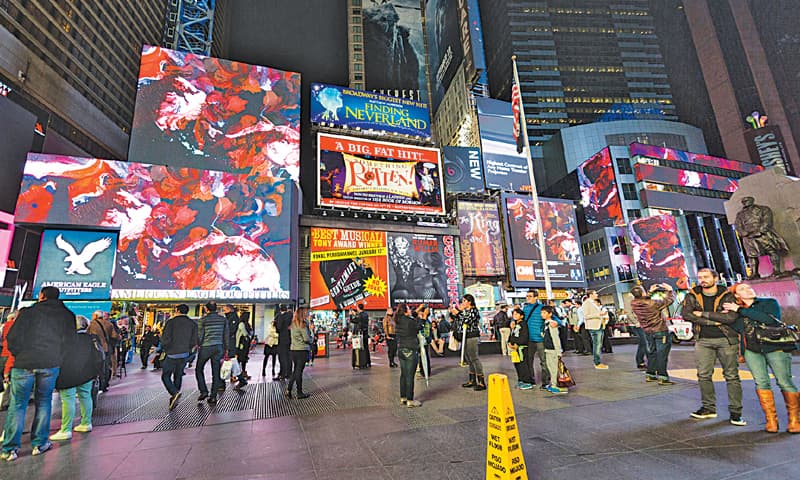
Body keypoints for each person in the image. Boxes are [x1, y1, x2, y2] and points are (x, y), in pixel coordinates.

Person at [1, 287, 76, 461]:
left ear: (41, 295)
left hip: (24, 363)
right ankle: (39, 443)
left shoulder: (28, 313)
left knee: (17, 405)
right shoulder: (66, 315)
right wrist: (58, 358)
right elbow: (70, 342)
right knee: (44, 402)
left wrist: (20, 354)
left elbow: (12, 337)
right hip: (50, 364)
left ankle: (10, 449)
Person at [724, 283, 799, 433]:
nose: (748, 289)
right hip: (752, 350)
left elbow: (769, 320)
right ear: (737, 296)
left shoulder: (769, 302)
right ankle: (771, 420)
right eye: (742, 289)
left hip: (775, 346)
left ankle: (795, 420)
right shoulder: (737, 312)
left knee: (784, 382)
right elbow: (738, 328)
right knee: (761, 382)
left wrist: (740, 310)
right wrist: (731, 313)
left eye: (748, 287)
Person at [681, 268, 745, 426]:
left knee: (731, 376)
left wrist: (702, 314)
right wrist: (715, 321)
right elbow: (687, 315)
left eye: (706, 277)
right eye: (700, 277)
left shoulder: (727, 294)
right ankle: (708, 408)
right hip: (703, 340)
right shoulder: (692, 295)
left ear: (715, 278)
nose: (703, 280)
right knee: (703, 375)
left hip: (726, 340)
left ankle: (736, 413)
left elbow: (730, 317)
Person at [50, 315, 96, 441]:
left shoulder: (67, 339)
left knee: (68, 400)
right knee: (86, 396)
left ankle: (65, 429)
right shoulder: (91, 338)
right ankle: (86, 423)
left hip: (68, 373)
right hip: (87, 373)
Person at [630, 283, 675, 385]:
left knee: (652, 353)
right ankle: (663, 377)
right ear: (642, 293)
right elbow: (669, 300)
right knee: (662, 354)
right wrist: (670, 290)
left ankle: (650, 374)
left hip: (647, 331)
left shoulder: (634, 303)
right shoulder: (653, 303)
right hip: (660, 330)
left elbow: (644, 300)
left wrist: (650, 292)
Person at [734, 196, 790, 278]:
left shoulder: (763, 209)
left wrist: (760, 231)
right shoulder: (740, 214)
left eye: (747, 200)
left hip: (762, 234)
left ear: (752, 201)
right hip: (749, 237)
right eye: (744, 201)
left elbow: (767, 221)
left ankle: (777, 271)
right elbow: (738, 225)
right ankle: (754, 273)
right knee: (751, 255)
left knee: (772, 251)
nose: (745, 202)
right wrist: (744, 233)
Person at [161, 304, 197, 410]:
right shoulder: (192, 323)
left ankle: (174, 392)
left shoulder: (171, 322)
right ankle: (175, 396)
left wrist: (165, 348)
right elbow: (194, 340)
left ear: (177, 310)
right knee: (178, 375)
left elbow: (165, 338)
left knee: (166, 375)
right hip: (184, 353)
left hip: (172, 353)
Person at [195, 301, 229, 405]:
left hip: (206, 347)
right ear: (216, 308)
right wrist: (226, 348)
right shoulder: (223, 319)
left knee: (199, 369)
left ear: (206, 309)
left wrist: (198, 344)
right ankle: (213, 396)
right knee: (216, 371)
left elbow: (200, 335)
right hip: (218, 347)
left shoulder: (203, 320)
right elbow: (226, 334)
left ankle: (204, 391)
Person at [450, 294, 485, 391]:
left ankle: (481, 381)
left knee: (474, 358)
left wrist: (458, 313)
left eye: (464, 301)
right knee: (468, 358)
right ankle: (472, 380)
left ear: (470, 302)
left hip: (471, 336)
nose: (463, 303)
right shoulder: (464, 311)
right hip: (464, 336)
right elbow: (458, 320)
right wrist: (455, 313)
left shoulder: (474, 311)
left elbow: (467, 321)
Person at [395, 304, 422, 407]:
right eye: (408, 308)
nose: (410, 310)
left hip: (401, 349)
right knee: (410, 375)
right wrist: (421, 318)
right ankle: (410, 400)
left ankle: (403, 397)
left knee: (404, 374)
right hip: (410, 349)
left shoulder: (398, 320)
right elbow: (418, 328)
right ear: (405, 311)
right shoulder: (410, 321)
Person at [523, 290, 550, 387]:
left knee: (544, 361)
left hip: (540, 339)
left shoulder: (542, 308)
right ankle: (531, 380)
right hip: (529, 339)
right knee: (528, 361)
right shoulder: (525, 308)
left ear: (536, 297)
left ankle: (545, 381)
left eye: (530, 296)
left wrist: (555, 322)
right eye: (527, 296)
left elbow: (554, 318)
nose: (528, 298)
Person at [88, 309, 120, 392]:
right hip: (106, 348)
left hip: (95, 348)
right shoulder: (109, 324)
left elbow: (87, 334)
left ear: (95, 316)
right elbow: (115, 336)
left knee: (96, 366)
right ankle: (104, 385)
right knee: (105, 366)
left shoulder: (92, 324)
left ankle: (97, 384)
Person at [286, 307, 312, 399]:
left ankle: (289, 389)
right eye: (305, 313)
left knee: (296, 370)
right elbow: (306, 339)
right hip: (302, 350)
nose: (307, 314)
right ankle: (299, 392)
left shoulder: (293, 325)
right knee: (299, 371)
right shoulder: (302, 325)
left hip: (293, 350)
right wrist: (312, 339)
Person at [540, 306, 567, 394]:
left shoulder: (552, 324)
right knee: (551, 368)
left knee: (555, 368)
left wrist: (559, 351)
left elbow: (556, 338)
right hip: (548, 349)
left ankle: (555, 385)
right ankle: (553, 384)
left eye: (544, 313)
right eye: (542, 313)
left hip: (553, 350)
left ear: (550, 314)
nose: (542, 314)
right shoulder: (545, 324)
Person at [508, 308, 535, 390]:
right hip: (515, 349)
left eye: (516, 314)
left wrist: (518, 343)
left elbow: (524, 336)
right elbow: (512, 335)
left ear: (522, 316)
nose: (514, 316)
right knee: (517, 364)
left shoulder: (523, 325)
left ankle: (527, 381)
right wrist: (510, 342)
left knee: (523, 364)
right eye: (513, 314)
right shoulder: (515, 325)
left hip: (521, 348)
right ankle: (521, 379)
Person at [582, 290, 609, 369]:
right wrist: (599, 314)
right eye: (595, 293)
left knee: (599, 344)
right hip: (593, 326)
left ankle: (598, 361)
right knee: (596, 345)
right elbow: (586, 316)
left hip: (599, 325)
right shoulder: (586, 303)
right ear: (590, 295)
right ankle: (597, 363)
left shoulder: (593, 303)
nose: (597, 294)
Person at [625, 304, 648, 370]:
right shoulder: (630, 299)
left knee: (643, 342)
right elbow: (628, 312)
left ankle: (640, 361)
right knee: (644, 342)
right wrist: (635, 322)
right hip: (636, 325)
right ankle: (642, 361)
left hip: (642, 324)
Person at [274, 305, 293, 381]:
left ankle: (282, 374)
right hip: (289, 339)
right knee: (289, 357)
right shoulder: (291, 315)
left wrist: (275, 324)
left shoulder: (280, 316)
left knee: (282, 357)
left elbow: (279, 328)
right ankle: (289, 373)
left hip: (282, 339)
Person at [234, 316, 253, 389]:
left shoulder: (243, 324)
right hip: (242, 344)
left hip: (241, 345)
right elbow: (246, 333)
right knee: (241, 359)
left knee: (240, 359)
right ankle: (240, 374)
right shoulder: (243, 324)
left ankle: (239, 374)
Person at [356, 303, 371, 368]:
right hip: (365, 333)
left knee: (361, 348)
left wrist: (351, 315)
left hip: (361, 334)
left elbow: (353, 320)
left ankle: (363, 362)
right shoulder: (366, 314)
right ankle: (368, 362)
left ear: (359, 308)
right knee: (366, 347)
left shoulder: (360, 315)